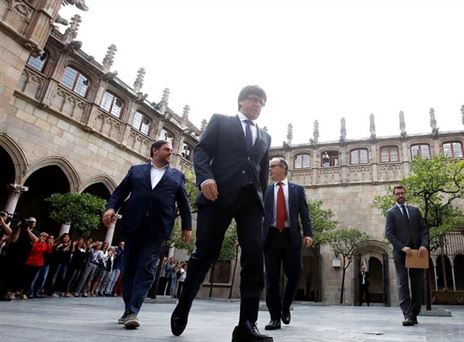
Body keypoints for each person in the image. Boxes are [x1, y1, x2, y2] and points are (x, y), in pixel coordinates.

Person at [170, 85, 273, 342]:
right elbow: (201, 151)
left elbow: (262, 172)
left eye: (261, 102)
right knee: (205, 253)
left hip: (250, 202)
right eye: (252, 99)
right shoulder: (221, 121)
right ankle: (183, 305)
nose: (256, 105)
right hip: (217, 195)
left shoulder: (265, 136)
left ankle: (246, 325)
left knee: (253, 258)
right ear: (240, 101)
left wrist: (262, 200)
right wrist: (204, 178)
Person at [103, 140, 192, 330]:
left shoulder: (177, 176)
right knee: (129, 268)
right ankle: (129, 309)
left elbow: (184, 204)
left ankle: (133, 310)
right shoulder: (136, 170)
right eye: (167, 149)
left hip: (158, 229)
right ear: (155, 151)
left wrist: (187, 226)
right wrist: (110, 208)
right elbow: (120, 192)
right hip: (133, 225)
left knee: (146, 267)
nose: (171, 153)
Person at [262, 157, 312, 331]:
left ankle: (285, 306)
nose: (269, 169)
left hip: (291, 238)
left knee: (295, 274)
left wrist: (308, 234)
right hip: (271, 238)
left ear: (283, 168)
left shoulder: (297, 190)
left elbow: (305, 214)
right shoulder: (266, 191)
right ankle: (274, 317)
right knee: (272, 280)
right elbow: (260, 215)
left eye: (272, 166)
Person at [385, 185, 429, 326]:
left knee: (417, 285)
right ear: (394, 196)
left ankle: (414, 313)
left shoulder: (415, 211)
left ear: (406, 194)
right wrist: (402, 247)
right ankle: (407, 315)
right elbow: (389, 233)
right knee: (402, 284)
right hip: (401, 254)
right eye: (397, 194)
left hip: (416, 253)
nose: (400, 195)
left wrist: (423, 245)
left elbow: (424, 229)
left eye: (402, 193)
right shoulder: (391, 213)